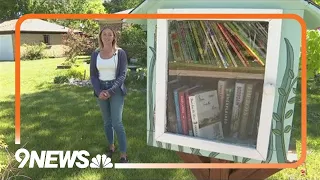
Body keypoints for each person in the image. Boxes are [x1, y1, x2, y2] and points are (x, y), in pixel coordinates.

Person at [90, 26, 129, 163]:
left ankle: (123, 154)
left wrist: (111, 91)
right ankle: (111, 147)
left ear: (114, 37)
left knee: (117, 122)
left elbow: (122, 74)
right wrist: (99, 91)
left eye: (110, 34)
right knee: (107, 122)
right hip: (101, 89)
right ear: (100, 36)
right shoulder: (95, 53)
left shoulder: (120, 53)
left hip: (116, 89)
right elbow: (93, 75)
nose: (107, 37)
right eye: (104, 34)